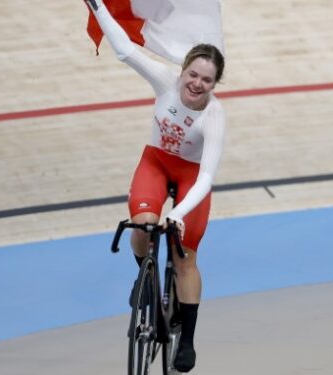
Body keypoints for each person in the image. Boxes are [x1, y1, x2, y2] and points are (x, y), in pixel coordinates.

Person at [84, 0, 226, 372]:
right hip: (156, 162)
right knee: (142, 225)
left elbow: (207, 177)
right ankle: (143, 274)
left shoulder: (213, 116)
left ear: (214, 84)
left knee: (184, 257)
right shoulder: (165, 80)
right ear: (183, 71)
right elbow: (124, 50)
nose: (196, 84)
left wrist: (177, 215)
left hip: (191, 177)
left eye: (206, 80)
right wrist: (98, 7)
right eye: (192, 75)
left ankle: (188, 340)